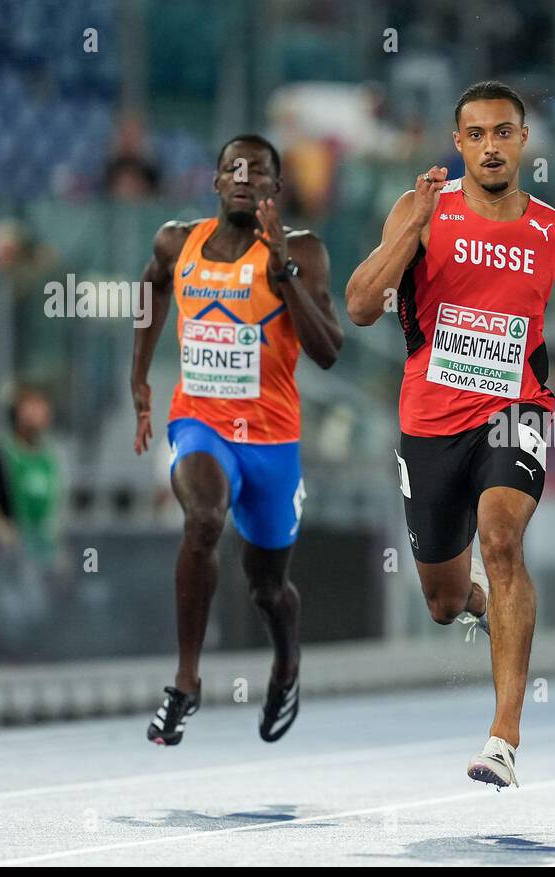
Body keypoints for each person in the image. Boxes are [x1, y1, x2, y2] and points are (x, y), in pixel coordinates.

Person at [345, 81, 555, 788]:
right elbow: (358, 306)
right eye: (475, 135)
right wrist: (409, 232)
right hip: (429, 423)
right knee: (442, 605)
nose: (490, 146)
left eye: (503, 132)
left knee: (503, 538)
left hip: (515, 410)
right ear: (458, 143)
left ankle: (504, 735)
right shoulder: (422, 212)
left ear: (523, 141)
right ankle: (473, 599)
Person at [130, 134, 344, 746]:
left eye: (260, 171)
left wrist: (285, 277)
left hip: (272, 440)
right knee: (202, 520)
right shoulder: (178, 242)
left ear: (276, 188)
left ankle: (286, 663)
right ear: (217, 181)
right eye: (233, 168)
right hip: (199, 421)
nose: (245, 177)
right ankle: (186, 681)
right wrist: (139, 377)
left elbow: (328, 351)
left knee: (268, 588)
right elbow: (151, 288)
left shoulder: (303, 250)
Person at [0, 385, 60, 565]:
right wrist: (0, 528)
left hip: (41, 556)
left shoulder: (50, 457)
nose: (36, 412)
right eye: (29, 406)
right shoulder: (2, 453)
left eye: (40, 406)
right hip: (5, 558)